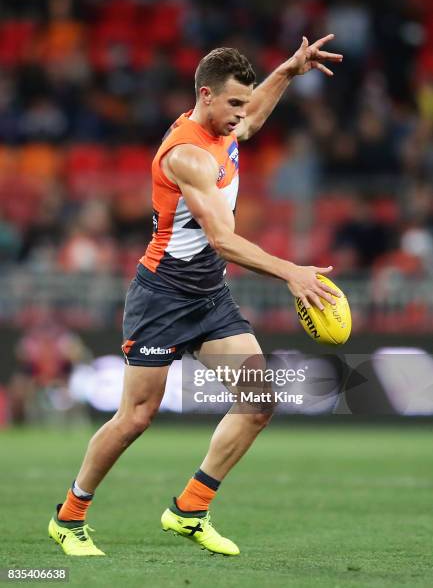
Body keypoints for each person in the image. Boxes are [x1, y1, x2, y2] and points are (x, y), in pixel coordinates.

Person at [48, 35, 343, 556]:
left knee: (257, 401)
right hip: (161, 296)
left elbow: (252, 119)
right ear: (205, 96)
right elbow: (222, 239)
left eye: (243, 102)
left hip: (209, 295)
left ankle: (189, 509)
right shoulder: (188, 154)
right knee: (135, 418)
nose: (242, 114)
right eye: (233, 103)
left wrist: (290, 71)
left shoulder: (226, 128)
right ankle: (69, 517)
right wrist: (291, 272)